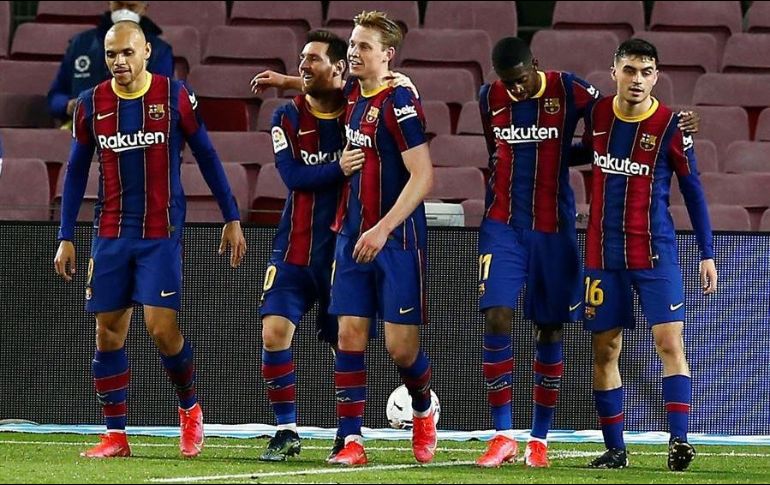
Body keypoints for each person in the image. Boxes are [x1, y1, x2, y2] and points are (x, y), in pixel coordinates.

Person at [474, 37, 701, 469]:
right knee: (497, 313)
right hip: (503, 224)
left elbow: (610, 131)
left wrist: (676, 125)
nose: (516, 90)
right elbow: (495, 149)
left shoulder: (571, 91)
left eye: (521, 81)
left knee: (550, 328)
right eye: (508, 83)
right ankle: (502, 433)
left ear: (534, 66)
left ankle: (538, 439)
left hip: (555, 229)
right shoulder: (489, 97)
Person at [53, 21, 246, 459]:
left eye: (127, 53)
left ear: (146, 53)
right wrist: (66, 235)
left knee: (161, 329)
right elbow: (77, 169)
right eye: (111, 55)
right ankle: (116, 434)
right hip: (111, 234)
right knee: (107, 333)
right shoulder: (91, 104)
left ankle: (190, 408)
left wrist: (231, 215)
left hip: (161, 233)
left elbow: (207, 155)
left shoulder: (174, 95)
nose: (119, 62)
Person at [580, 38, 717, 471]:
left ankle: (679, 441)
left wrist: (707, 253)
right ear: (614, 71)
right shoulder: (597, 114)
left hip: (656, 253)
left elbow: (693, 192)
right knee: (606, 350)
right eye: (630, 70)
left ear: (656, 76)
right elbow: (574, 148)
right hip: (603, 255)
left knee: (669, 341)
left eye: (646, 72)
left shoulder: (671, 127)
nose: (637, 79)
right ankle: (616, 449)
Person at [324, 10, 437, 467]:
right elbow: (318, 90)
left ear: (387, 55)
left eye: (363, 46)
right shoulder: (353, 93)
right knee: (348, 336)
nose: (353, 51)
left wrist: (383, 227)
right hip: (352, 235)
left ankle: (424, 408)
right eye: (351, 44)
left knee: (400, 348)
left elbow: (423, 176)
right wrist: (283, 80)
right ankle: (350, 439)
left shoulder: (400, 103)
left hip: (396, 239)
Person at [257, 30, 362, 463]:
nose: (303, 64)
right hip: (293, 246)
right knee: (273, 332)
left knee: (346, 343)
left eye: (313, 58)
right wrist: (338, 167)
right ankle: (286, 430)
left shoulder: (359, 111)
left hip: (341, 250)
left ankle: (348, 435)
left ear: (338, 68)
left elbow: (368, 82)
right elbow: (294, 179)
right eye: (301, 58)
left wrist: (284, 78)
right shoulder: (285, 118)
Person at [47, 1, 173, 124]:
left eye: (131, 6)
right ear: (110, 4)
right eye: (118, 4)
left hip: (134, 134)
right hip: (82, 129)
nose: (124, 11)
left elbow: (162, 99)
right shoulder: (81, 44)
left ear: (144, 8)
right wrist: (67, 105)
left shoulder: (159, 51)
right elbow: (55, 96)